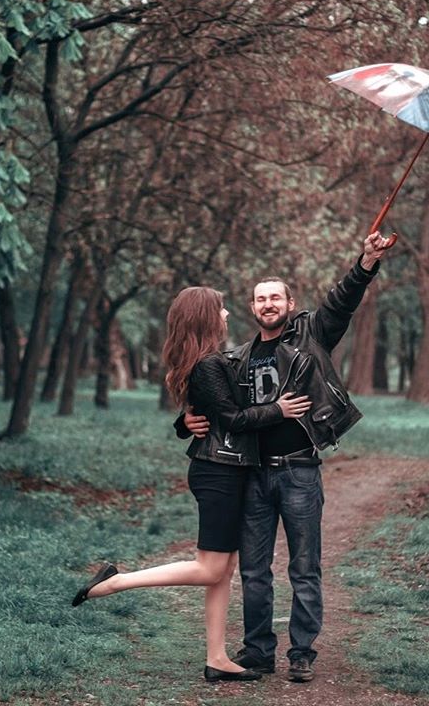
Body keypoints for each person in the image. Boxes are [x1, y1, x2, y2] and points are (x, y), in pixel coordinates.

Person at [71, 286, 312, 683]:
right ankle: (114, 582)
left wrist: (184, 423)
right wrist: (279, 409)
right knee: (210, 568)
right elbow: (234, 418)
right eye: (220, 309)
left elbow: (208, 415)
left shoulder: (209, 362)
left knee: (222, 571)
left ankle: (217, 658)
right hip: (218, 473)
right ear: (205, 316)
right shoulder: (207, 365)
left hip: (227, 471)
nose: (227, 315)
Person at [181, 231, 390, 683]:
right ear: (253, 308)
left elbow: (342, 301)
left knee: (303, 566)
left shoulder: (312, 334)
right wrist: (185, 423)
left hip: (299, 470)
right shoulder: (235, 358)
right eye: (260, 299)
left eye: (276, 297)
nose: (268, 304)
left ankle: (301, 652)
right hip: (252, 475)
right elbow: (217, 408)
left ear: (290, 305)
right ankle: (257, 651)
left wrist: (367, 261)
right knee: (254, 570)